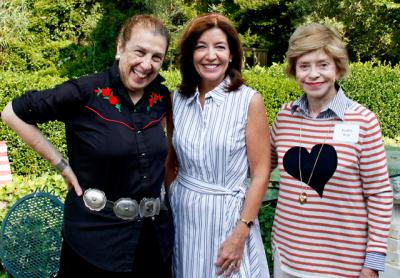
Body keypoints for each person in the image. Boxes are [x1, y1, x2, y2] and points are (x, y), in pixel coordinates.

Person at [1, 15, 174, 277]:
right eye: (139, 52)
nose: (146, 64)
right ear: (120, 47)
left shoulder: (161, 98)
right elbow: (11, 113)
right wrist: (60, 164)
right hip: (93, 244)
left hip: (152, 242)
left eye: (156, 57)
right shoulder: (85, 91)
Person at [270, 23, 393, 278]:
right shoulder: (284, 117)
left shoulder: (363, 121)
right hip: (287, 258)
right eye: (304, 66)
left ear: (338, 68)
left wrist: (372, 263)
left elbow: (380, 195)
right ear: (294, 71)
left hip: (343, 264)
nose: (313, 74)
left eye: (323, 64)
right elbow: (257, 166)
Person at [167, 13, 271, 278]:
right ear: (191, 54)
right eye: (201, 46)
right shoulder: (176, 99)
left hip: (229, 221)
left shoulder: (249, 101)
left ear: (232, 54)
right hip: (183, 220)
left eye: (219, 47)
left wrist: (241, 230)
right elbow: (171, 162)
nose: (210, 55)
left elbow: (260, 174)